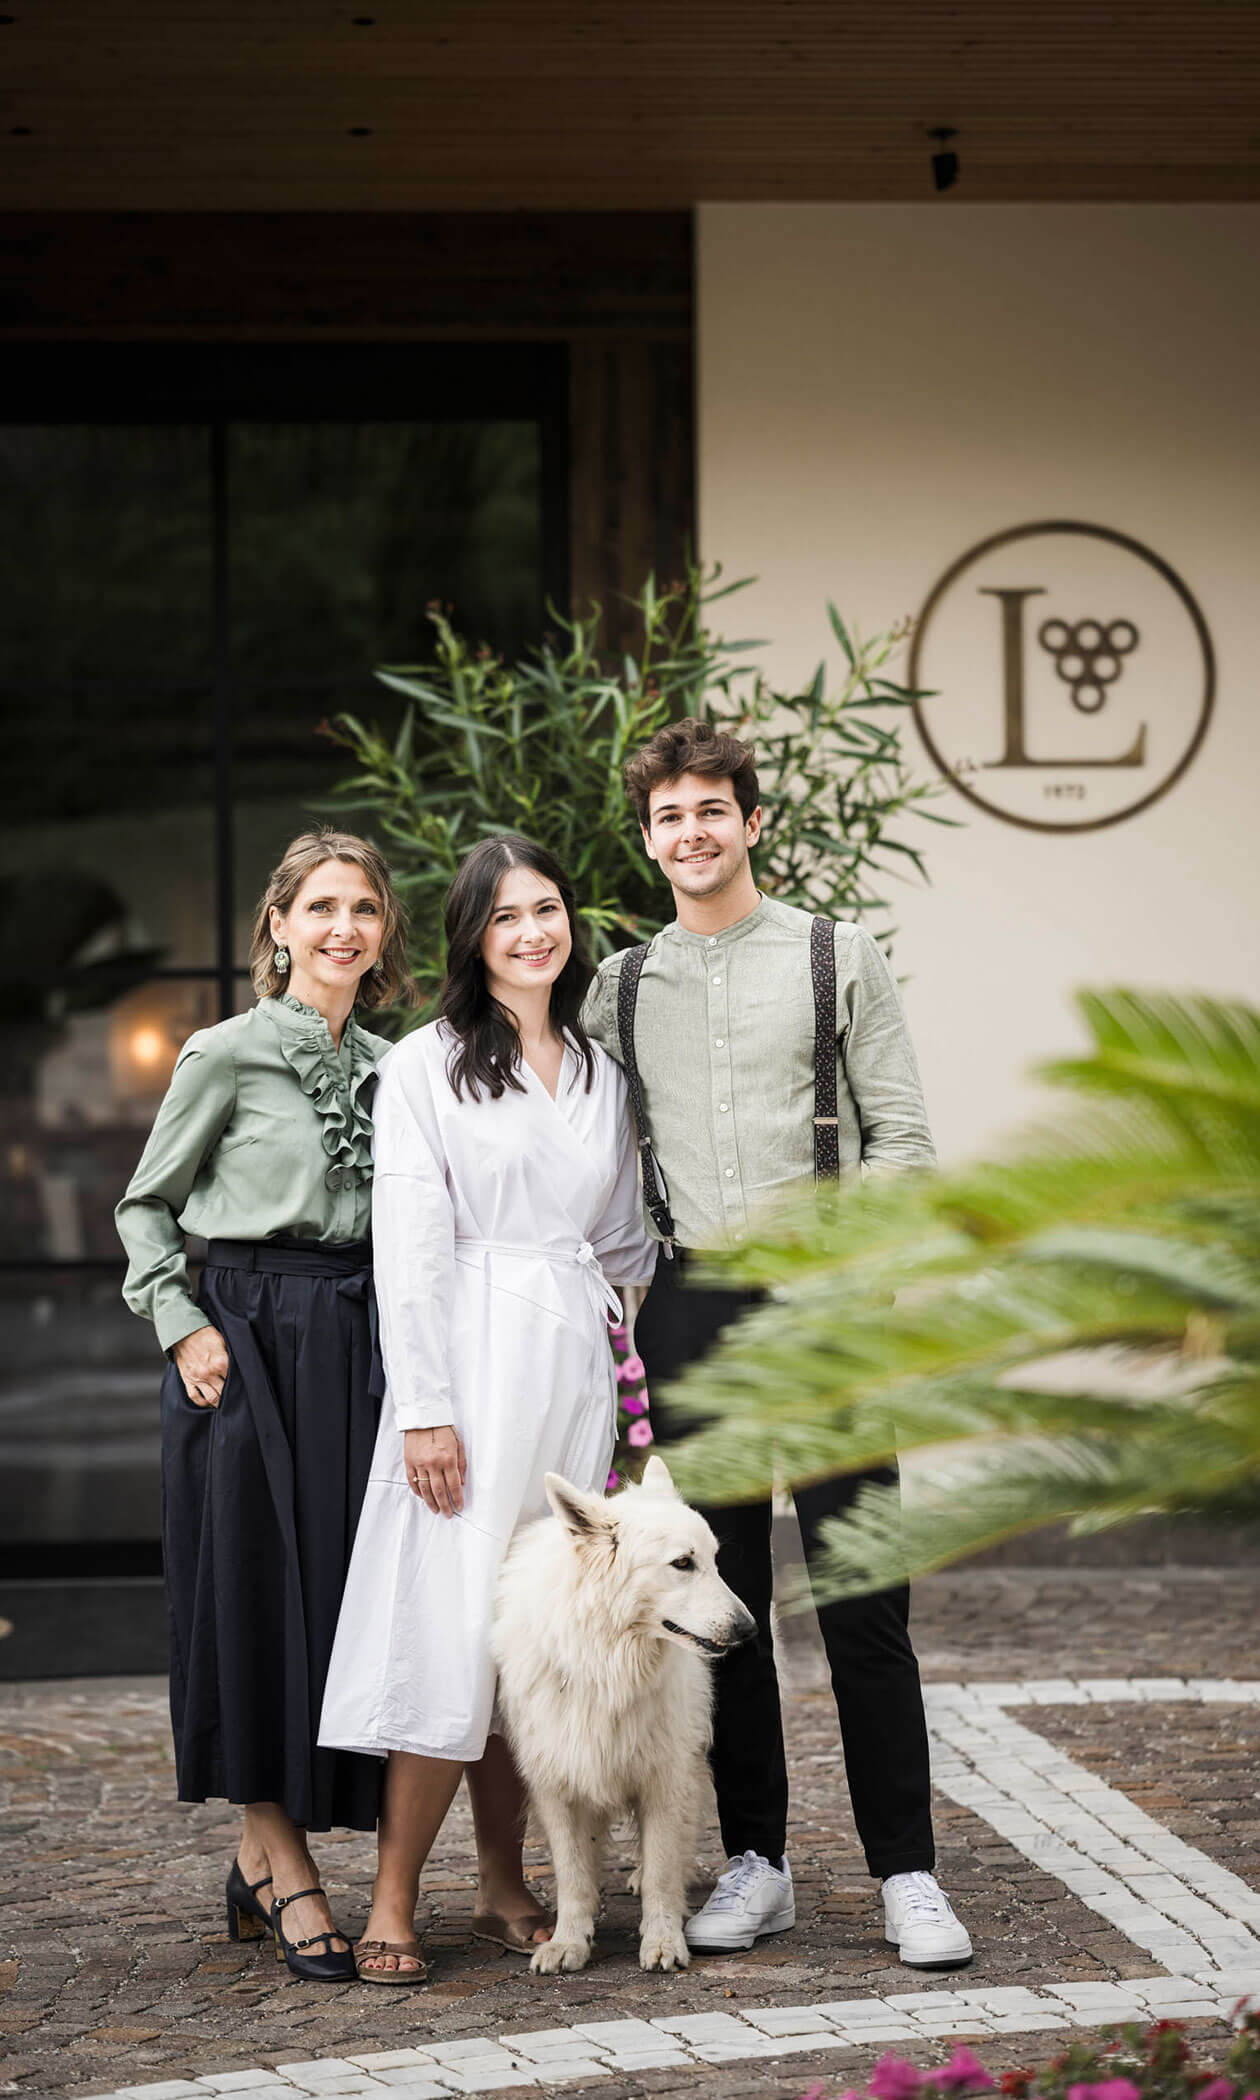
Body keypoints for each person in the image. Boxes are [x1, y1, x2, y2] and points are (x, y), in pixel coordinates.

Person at [581, 718, 973, 1972]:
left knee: (864, 1599)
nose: (690, 834)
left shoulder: (832, 954)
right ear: (648, 843)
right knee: (723, 1598)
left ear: (753, 822)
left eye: (711, 811)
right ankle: (759, 1861)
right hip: (694, 1304)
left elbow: (903, 1140)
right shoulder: (619, 987)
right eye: (668, 819)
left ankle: (907, 1873)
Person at [319, 834, 657, 1984]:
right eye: (506, 916)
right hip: (467, 1361)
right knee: (447, 1627)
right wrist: (424, 1407)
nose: (531, 933)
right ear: (474, 935)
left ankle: (511, 1880)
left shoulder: (604, 1074)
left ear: (571, 925)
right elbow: (407, 1242)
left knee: (536, 1640)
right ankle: (395, 1898)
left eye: (547, 910)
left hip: (571, 1372)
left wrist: (624, 1365)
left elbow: (619, 1243)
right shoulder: (428, 1063)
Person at [116, 828, 416, 1982]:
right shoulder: (223, 1054)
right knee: (248, 1602)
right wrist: (181, 1322)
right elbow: (147, 1209)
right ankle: (285, 1869)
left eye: (367, 909)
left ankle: (260, 1860)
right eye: (324, 907)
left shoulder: (405, 1067)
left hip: (364, 1342)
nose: (346, 927)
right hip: (244, 1340)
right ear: (279, 926)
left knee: (341, 1612)